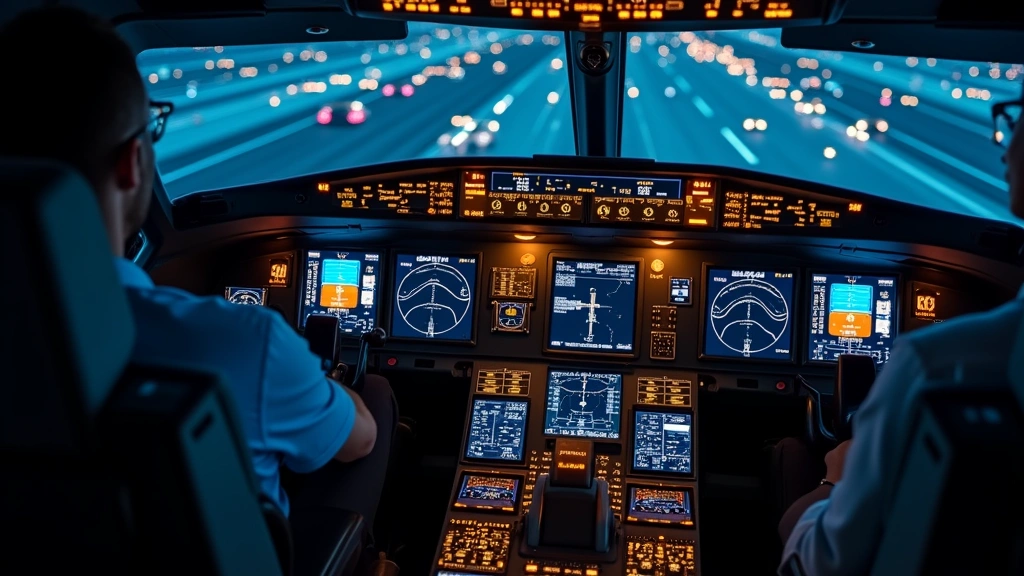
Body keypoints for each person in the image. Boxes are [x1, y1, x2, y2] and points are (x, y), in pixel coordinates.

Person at [0, 6, 398, 533]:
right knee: (376, 400)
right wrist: (321, 381)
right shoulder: (245, 341)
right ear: (132, 162)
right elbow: (359, 440)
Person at [777, 83, 1024, 574]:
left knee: (787, 468)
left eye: (1018, 117)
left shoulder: (933, 364)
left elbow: (820, 563)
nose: (1007, 139)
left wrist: (836, 479)